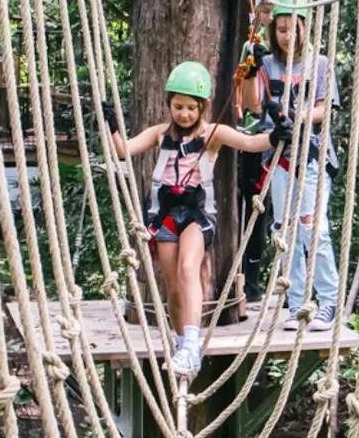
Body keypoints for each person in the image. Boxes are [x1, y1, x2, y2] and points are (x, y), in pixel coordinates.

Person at [105, 60, 289, 376]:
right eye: (178, 107)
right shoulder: (159, 134)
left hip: (197, 214)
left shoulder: (212, 134)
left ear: (202, 107)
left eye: (192, 107)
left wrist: (275, 137)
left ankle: (192, 347)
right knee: (173, 286)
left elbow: (248, 142)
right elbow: (124, 149)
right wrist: (111, 125)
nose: (185, 114)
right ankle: (182, 344)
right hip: (164, 214)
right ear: (169, 105)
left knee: (189, 267)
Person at [243, 0, 340, 331]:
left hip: (311, 156)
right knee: (284, 230)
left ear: (304, 27)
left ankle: (328, 299)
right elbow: (254, 106)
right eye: (281, 29)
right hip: (279, 160)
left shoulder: (320, 63)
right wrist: (252, 68)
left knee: (313, 228)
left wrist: (296, 118)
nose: (288, 36)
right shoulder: (269, 65)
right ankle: (298, 301)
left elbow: (323, 108)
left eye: (293, 28)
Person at [236, 0, 293, 310]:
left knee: (286, 212)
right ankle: (252, 283)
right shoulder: (252, 44)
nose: (269, 17)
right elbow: (251, 103)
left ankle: (290, 283)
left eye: (274, 11)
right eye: (265, 10)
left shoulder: (299, 52)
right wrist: (253, 65)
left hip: (287, 140)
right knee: (254, 209)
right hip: (256, 136)